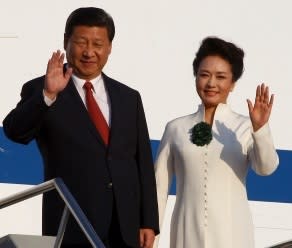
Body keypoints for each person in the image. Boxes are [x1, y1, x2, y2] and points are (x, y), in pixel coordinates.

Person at [3, 7, 159, 248]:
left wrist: (148, 221)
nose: (89, 52)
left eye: (97, 44)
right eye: (81, 42)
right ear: (66, 42)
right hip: (71, 221)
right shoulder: (42, 89)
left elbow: (142, 163)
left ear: (109, 47)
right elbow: (15, 132)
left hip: (125, 226)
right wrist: (48, 95)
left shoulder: (129, 97)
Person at [154, 36, 279, 248]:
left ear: (233, 83)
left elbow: (266, 167)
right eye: (204, 75)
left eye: (221, 77)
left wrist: (260, 129)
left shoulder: (245, 126)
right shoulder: (176, 128)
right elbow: (158, 188)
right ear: (195, 78)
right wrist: (152, 240)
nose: (211, 83)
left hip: (233, 236)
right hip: (187, 235)